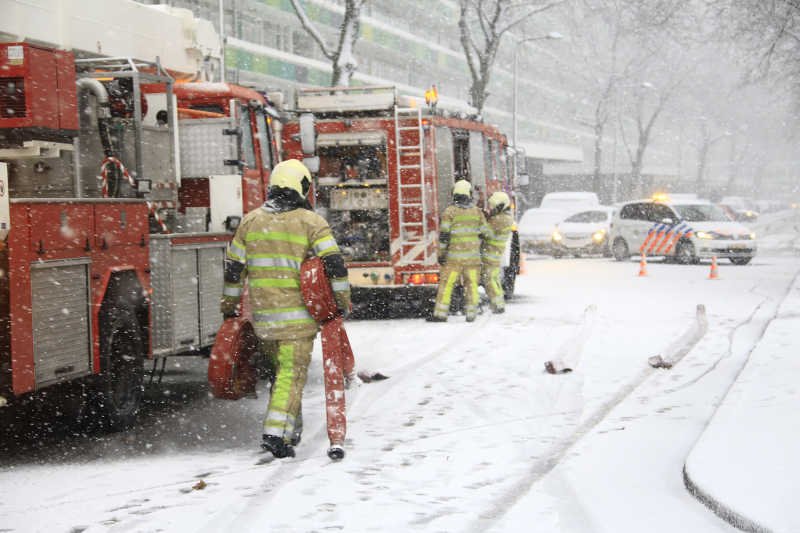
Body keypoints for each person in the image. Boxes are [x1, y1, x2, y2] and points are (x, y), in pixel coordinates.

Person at [221, 159, 352, 459]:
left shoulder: (249, 222)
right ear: (302, 187)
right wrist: (342, 303)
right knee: (291, 377)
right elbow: (334, 264)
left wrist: (228, 308)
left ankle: (291, 432)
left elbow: (234, 271)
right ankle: (273, 434)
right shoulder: (311, 222)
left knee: (281, 377)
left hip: (265, 322)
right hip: (299, 321)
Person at [428, 180, 487, 322]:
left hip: (454, 260)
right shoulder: (477, 212)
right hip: (473, 260)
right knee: (471, 284)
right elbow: (485, 233)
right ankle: (471, 314)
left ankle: (440, 314)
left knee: (446, 284)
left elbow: (444, 236)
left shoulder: (450, 211)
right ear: (469, 194)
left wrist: (441, 254)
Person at [481, 192, 514, 314]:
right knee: (494, 278)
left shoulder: (499, 218)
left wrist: (480, 224)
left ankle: (498, 305)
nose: (493, 209)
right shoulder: (507, 217)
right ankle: (499, 303)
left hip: (490, 252)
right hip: (496, 253)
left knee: (488, 279)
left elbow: (487, 233)